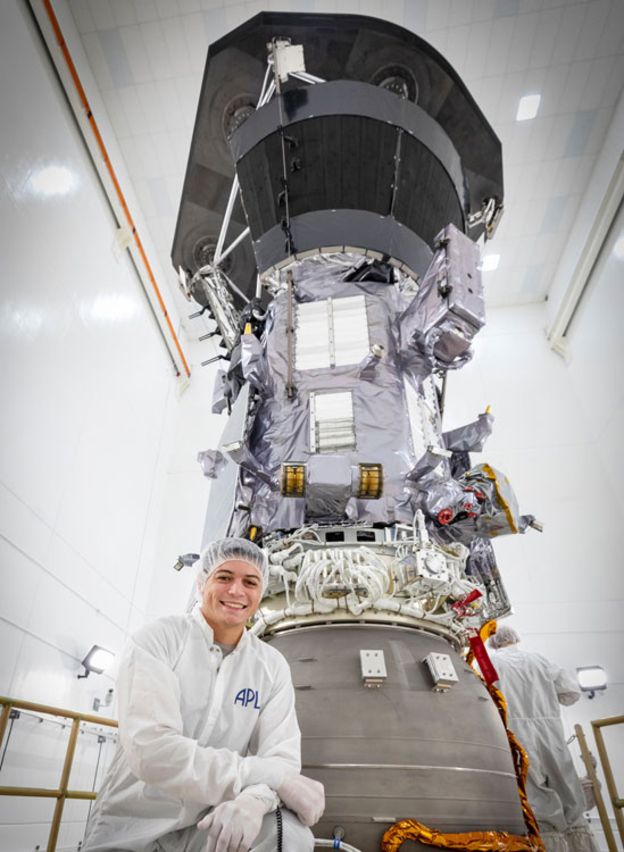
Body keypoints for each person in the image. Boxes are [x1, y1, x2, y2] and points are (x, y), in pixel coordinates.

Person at [83, 538, 324, 852]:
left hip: (211, 826)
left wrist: (253, 801)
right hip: (132, 825)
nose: (236, 591)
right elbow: (153, 752)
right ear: (201, 583)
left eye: (250, 582)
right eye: (224, 577)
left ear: (261, 591)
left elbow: (281, 755)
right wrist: (271, 776)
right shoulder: (160, 640)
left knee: (290, 833)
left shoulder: (270, 665)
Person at [489, 625, 598, 852]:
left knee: (535, 796)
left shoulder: (490, 662)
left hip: (515, 733)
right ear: (516, 638)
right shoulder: (539, 660)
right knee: (566, 786)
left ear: (492, 642)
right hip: (550, 732)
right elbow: (571, 693)